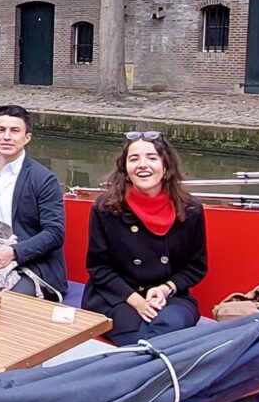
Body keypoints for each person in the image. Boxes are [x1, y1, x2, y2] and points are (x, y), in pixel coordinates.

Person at [82, 131, 207, 346]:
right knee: (142, 338)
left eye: (151, 157)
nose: (142, 165)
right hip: (116, 296)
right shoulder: (106, 208)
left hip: (168, 296)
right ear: (126, 170)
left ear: (165, 166)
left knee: (171, 325)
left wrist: (166, 288)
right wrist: (136, 301)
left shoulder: (190, 209)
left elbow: (195, 267)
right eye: (134, 159)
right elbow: (98, 268)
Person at [0, 105, 66, 299]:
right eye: (1, 130)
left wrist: (14, 252)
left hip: (34, 265)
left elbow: (55, 233)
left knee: (5, 301)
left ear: (27, 138)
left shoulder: (43, 179)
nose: (6, 136)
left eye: (14, 131)